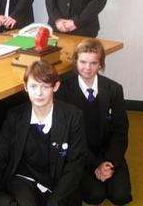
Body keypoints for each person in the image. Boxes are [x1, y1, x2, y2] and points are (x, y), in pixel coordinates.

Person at [0, 61, 86, 206]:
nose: (39, 93)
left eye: (45, 87)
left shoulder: (73, 116)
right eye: (33, 86)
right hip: (24, 180)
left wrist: (54, 202)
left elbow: (75, 165)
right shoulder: (15, 116)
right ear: (25, 87)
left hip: (57, 183)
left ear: (56, 86)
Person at [57, 38, 132, 205]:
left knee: (121, 196)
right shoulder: (64, 91)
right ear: (76, 62)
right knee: (95, 196)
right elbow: (69, 137)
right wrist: (95, 164)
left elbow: (121, 130)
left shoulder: (114, 89)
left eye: (93, 63)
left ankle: (109, 168)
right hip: (81, 154)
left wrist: (109, 162)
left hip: (108, 151)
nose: (87, 68)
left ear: (101, 64)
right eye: (83, 62)